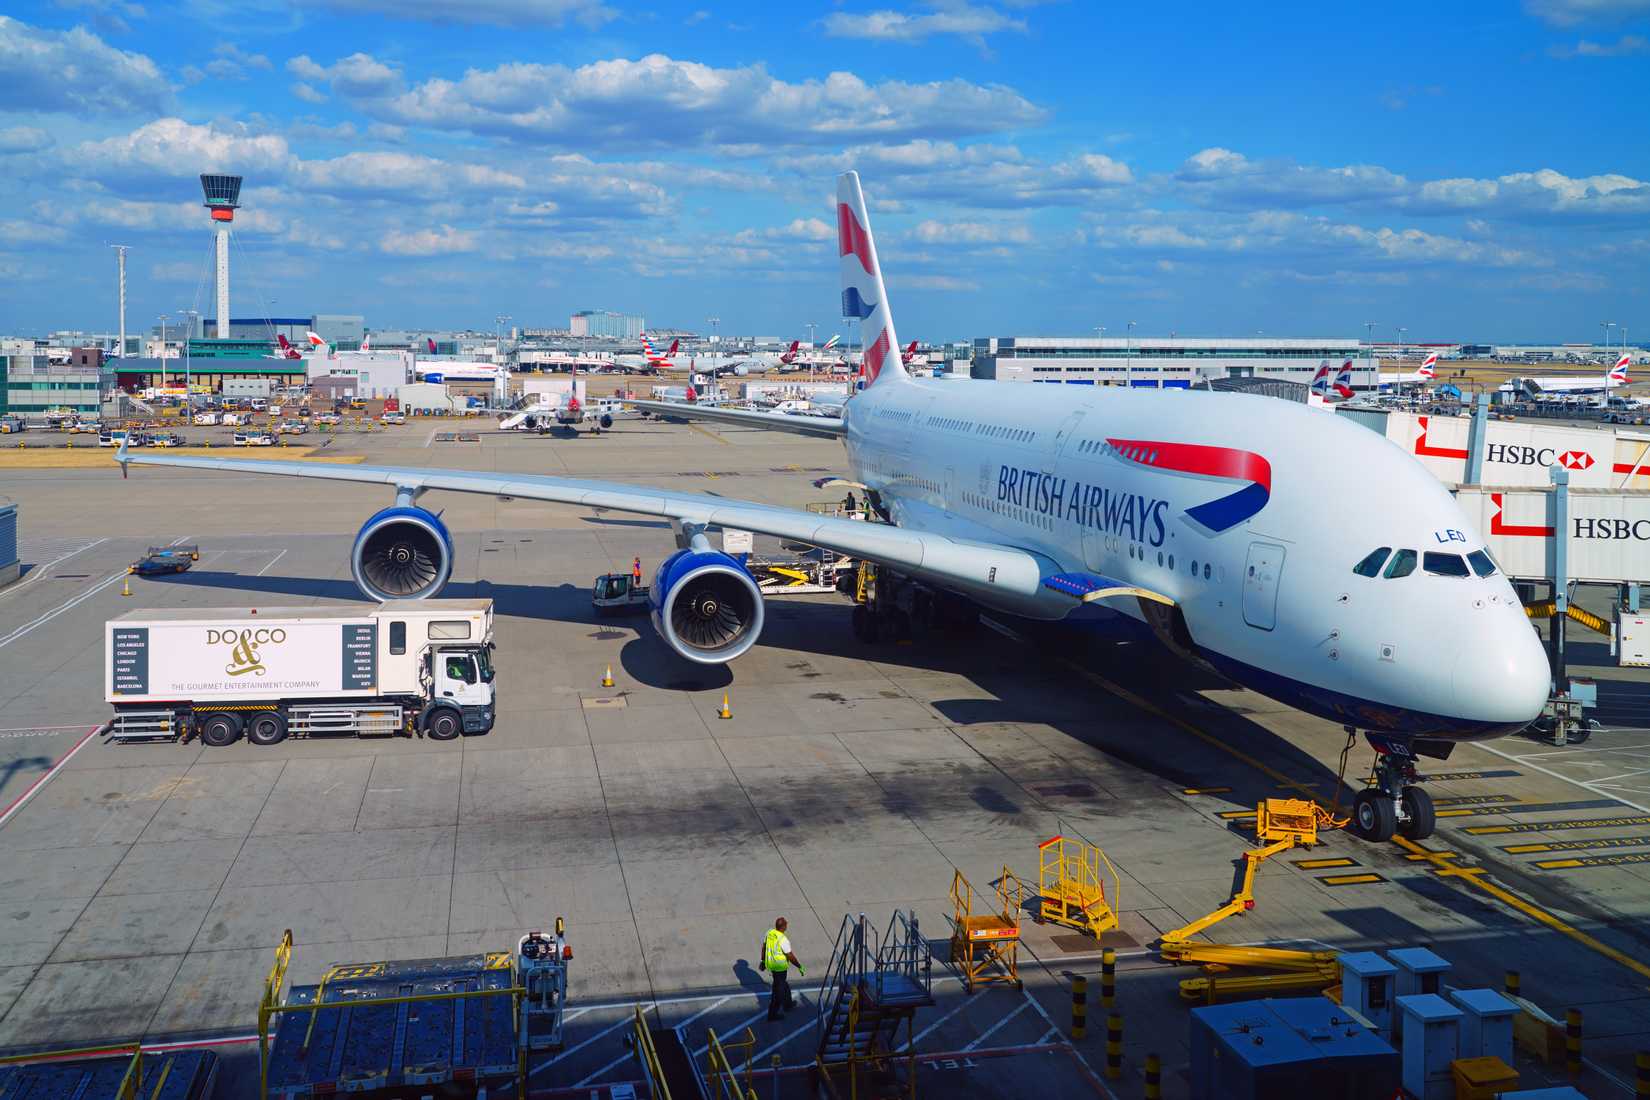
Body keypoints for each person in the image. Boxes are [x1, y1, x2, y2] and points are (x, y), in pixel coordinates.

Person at [763, 916, 803, 1020]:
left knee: (784, 985)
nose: (787, 925)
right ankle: (772, 1014)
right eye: (786, 924)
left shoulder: (769, 933)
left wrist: (763, 961)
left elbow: (764, 947)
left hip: (772, 965)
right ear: (783, 927)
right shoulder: (783, 940)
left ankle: (788, 1004)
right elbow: (790, 955)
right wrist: (799, 966)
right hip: (780, 968)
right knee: (777, 993)